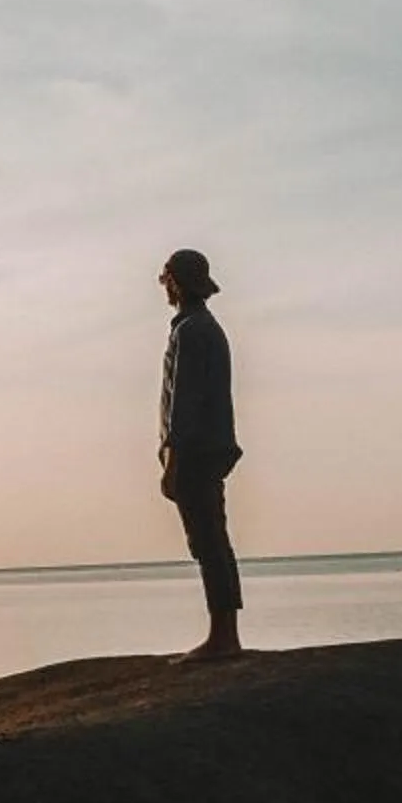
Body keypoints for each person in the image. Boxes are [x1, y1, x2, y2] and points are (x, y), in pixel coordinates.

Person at [157, 248, 243, 659]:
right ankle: (224, 632)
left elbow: (183, 403)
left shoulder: (192, 330)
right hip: (208, 447)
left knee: (208, 539)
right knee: (211, 538)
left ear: (176, 280)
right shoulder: (201, 327)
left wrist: (173, 461)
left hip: (197, 451)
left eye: (166, 278)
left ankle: (223, 636)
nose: (164, 286)